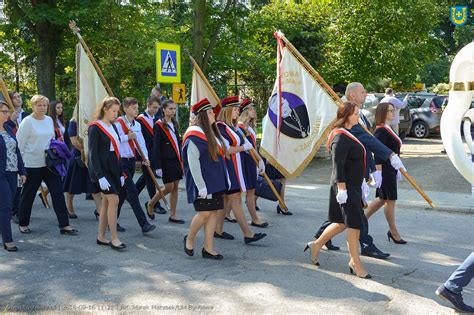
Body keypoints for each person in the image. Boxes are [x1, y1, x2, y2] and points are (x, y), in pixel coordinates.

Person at [314, 82, 406, 260]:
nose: (366, 94)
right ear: (352, 95)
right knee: (353, 215)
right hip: (348, 176)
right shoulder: (349, 116)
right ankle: (366, 245)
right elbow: (366, 139)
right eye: (363, 92)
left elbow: (364, 146)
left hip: (357, 172)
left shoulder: (359, 115)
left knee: (343, 216)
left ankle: (321, 236)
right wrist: (389, 155)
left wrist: (372, 169)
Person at [305, 101, 371, 279]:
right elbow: (338, 166)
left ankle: (316, 245)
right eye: (356, 113)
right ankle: (355, 263)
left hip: (353, 186)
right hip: (345, 188)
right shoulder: (340, 137)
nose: (358, 116)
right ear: (346, 116)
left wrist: (363, 180)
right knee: (354, 225)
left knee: (342, 223)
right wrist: (342, 189)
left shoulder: (348, 133)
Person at [16, 95, 77, 235]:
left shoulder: (49, 120)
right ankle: (23, 224)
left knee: (57, 193)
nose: (42, 107)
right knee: (28, 195)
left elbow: (52, 139)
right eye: (39, 105)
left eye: (44, 105)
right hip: (32, 165)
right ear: (33, 106)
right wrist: (21, 168)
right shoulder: (27, 122)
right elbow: (19, 145)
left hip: (50, 163)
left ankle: (64, 225)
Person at [215, 95, 267, 244]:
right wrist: (242, 147)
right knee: (235, 199)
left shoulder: (233, 127)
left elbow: (248, 145)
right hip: (228, 168)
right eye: (235, 109)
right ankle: (247, 234)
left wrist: (259, 160)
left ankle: (218, 229)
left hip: (236, 168)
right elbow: (226, 150)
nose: (238, 112)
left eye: (238, 109)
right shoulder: (220, 127)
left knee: (227, 200)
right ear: (228, 110)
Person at [182, 98, 228, 259]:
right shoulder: (193, 135)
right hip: (203, 184)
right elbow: (192, 163)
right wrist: (201, 186)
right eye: (209, 112)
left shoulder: (212, 132)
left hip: (215, 182)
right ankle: (189, 238)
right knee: (204, 214)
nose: (213, 114)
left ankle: (208, 248)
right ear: (202, 116)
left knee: (213, 213)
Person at [365, 102, 406, 244]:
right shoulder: (381, 130)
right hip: (385, 170)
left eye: (394, 110)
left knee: (383, 199)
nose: (394, 112)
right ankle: (393, 232)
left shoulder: (388, 127)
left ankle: (361, 221)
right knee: (390, 200)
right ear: (383, 113)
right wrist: (378, 173)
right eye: (390, 110)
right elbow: (377, 152)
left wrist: (398, 168)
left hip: (391, 169)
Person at [88, 96, 125, 250]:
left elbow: (118, 151)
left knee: (106, 203)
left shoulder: (114, 126)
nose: (116, 114)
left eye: (117, 111)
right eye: (113, 111)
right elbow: (93, 154)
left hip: (114, 167)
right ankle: (114, 238)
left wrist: (122, 172)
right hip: (101, 169)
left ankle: (101, 236)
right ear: (105, 109)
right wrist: (100, 176)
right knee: (114, 200)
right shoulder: (95, 127)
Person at [114, 97, 156, 234]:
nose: (136, 110)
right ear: (125, 109)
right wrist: (127, 137)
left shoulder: (137, 125)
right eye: (133, 108)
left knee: (122, 193)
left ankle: (111, 220)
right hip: (121, 162)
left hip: (131, 161)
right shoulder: (119, 123)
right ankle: (143, 223)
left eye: (137, 108)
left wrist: (146, 158)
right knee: (132, 192)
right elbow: (114, 140)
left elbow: (141, 143)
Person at [146, 100, 184, 224]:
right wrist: (157, 166)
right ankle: (151, 204)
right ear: (164, 110)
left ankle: (173, 214)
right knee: (169, 187)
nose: (172, 111)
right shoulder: (158, 125)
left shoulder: (174, 123)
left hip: (176, 160)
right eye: (170, 109)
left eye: (174, 109)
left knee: (175, 188)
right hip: (165, 161)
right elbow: (156, 146)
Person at [62, 115, 102, 219]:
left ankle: (100, 210)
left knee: (94, 186)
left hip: (90, 158)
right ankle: (69, 207)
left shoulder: (93, 120)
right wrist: (85, 151)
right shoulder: (74, 122)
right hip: (78, 157)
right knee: (72, 185)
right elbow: (74, 141)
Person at [237, 98, 267, 227]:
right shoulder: (240, 127)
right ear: (244, 112)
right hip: (247, 161)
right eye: (250, 108)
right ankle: (255, 219)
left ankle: (226, 214)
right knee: (250, 190)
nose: (254, 110)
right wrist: (259, 160)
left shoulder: (249, 126)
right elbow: (249, 147)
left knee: (236, 193)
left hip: (251, 160)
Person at [0, 101, 26, 251]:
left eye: (7, 111)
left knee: (6, 206)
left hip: (12, 172)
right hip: (1, 174)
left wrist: (22, 171)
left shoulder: (9, 129)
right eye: (4, 111)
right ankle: (8, 240)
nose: (7, 114)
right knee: (6, 206)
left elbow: (16, 151)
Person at [135, 96, 166, 214]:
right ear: (148, 105)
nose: (156, 110)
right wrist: (140, 157)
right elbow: (138, 140)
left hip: (154, 153)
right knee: (150, 179)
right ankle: (155, 204)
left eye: (158, 108)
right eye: (154, 107)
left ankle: (130, 194)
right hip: (145, 153)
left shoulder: (156, 119)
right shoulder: (140, 120)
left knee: (146, 177)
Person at [4, 91, 28, 224]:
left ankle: (18, 209)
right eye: (15, 97)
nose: (18, 99)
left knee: (21, 183)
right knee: (15, 184)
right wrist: (11, 120)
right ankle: (14, 210)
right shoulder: (6, 117)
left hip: (25, 151)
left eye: (19, 96)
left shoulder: (26, 115)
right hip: (11, 155)